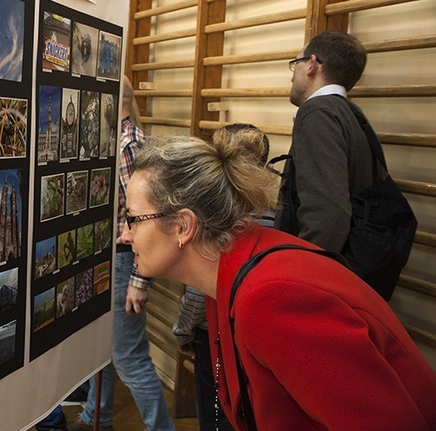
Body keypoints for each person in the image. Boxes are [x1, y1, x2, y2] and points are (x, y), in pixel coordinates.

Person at [121, 130, 436, 430]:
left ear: (182, 226)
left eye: (133, 219)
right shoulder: (230, 271)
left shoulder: (269, 297)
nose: (124, 235)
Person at [68, 76, 175, 431]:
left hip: (126, 260)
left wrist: (139, 280)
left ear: (114, 102)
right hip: (115, 259)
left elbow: (147, 217)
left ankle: (160, 427)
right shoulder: (122, 139)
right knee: (107, 346)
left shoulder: (129, 144)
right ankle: (95, 416)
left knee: (129, 356)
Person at [172, 123, 274, 431]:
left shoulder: (216, 214)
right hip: (256, 334)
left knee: (217, 418)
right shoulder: (272, 210)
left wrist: (183, 332)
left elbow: (197, 290)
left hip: (215, 334)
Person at [274, 31, 372, 253]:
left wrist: (304, 271)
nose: (292, 76)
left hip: (320, 268)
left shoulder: (317, 114)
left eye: (296, 63)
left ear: (312, 64)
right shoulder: (350, 113)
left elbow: (328, 215)